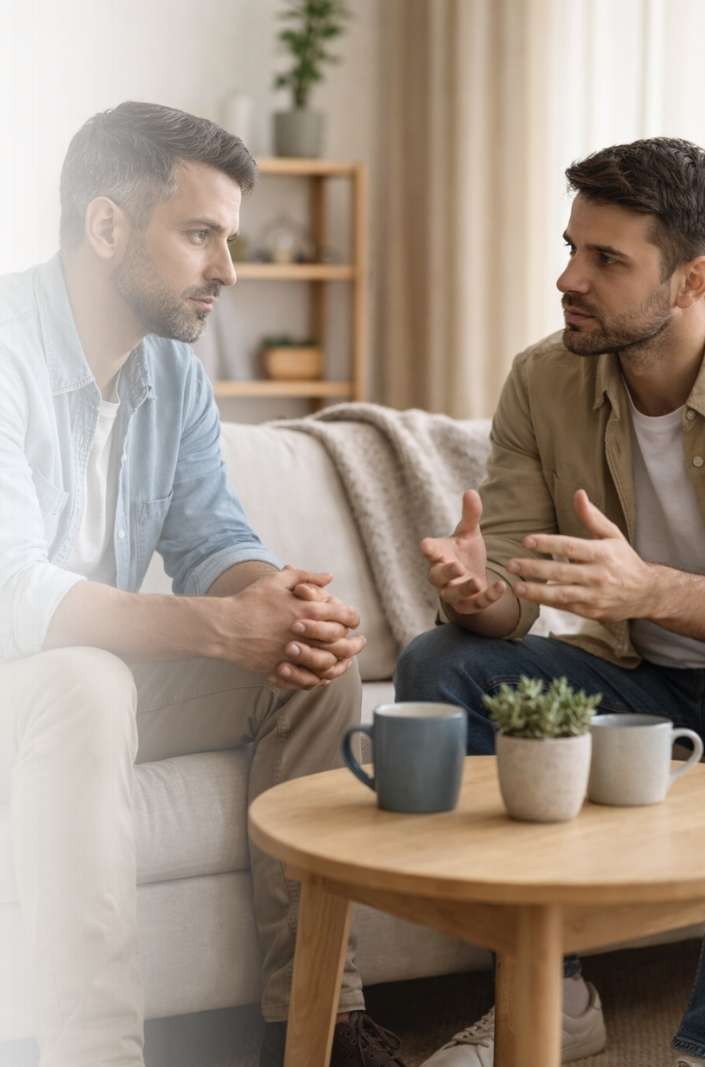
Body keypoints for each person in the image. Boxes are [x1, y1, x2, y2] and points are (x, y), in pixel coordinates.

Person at [0, 101, 406, 1067]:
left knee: (310, 665)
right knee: (87, 679)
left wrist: (279, 604)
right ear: (106, 228)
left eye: (228, 238)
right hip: (30, 673)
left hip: (78, 678)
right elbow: (14, 593)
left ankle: (314, 1027)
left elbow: (213, 532)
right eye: (199, 236)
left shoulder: (173, 371)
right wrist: (221, 629)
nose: (228, 269)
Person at [396, 136, 705, 1067]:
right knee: (439, 664)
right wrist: (478, 592)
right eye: (571, 246)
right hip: (637, 690)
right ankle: (553, 988)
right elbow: (512, 601)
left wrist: (650, 586)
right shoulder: (544, 378)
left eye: (605, 259)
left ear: (692, 279)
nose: (567, 277)